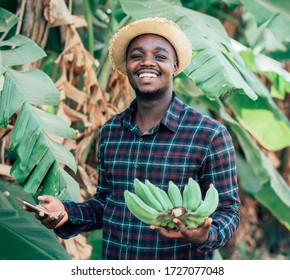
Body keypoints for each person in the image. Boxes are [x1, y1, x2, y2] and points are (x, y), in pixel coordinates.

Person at [24, 17, 240, 260]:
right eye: (137, 56)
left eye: (160, 56)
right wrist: (66, 212)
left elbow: (228, 211)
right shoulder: (110, 132)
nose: (147, 62)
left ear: (176, 66)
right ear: (127, 66)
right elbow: (109, 204)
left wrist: (206, 235)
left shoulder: (208, 134)